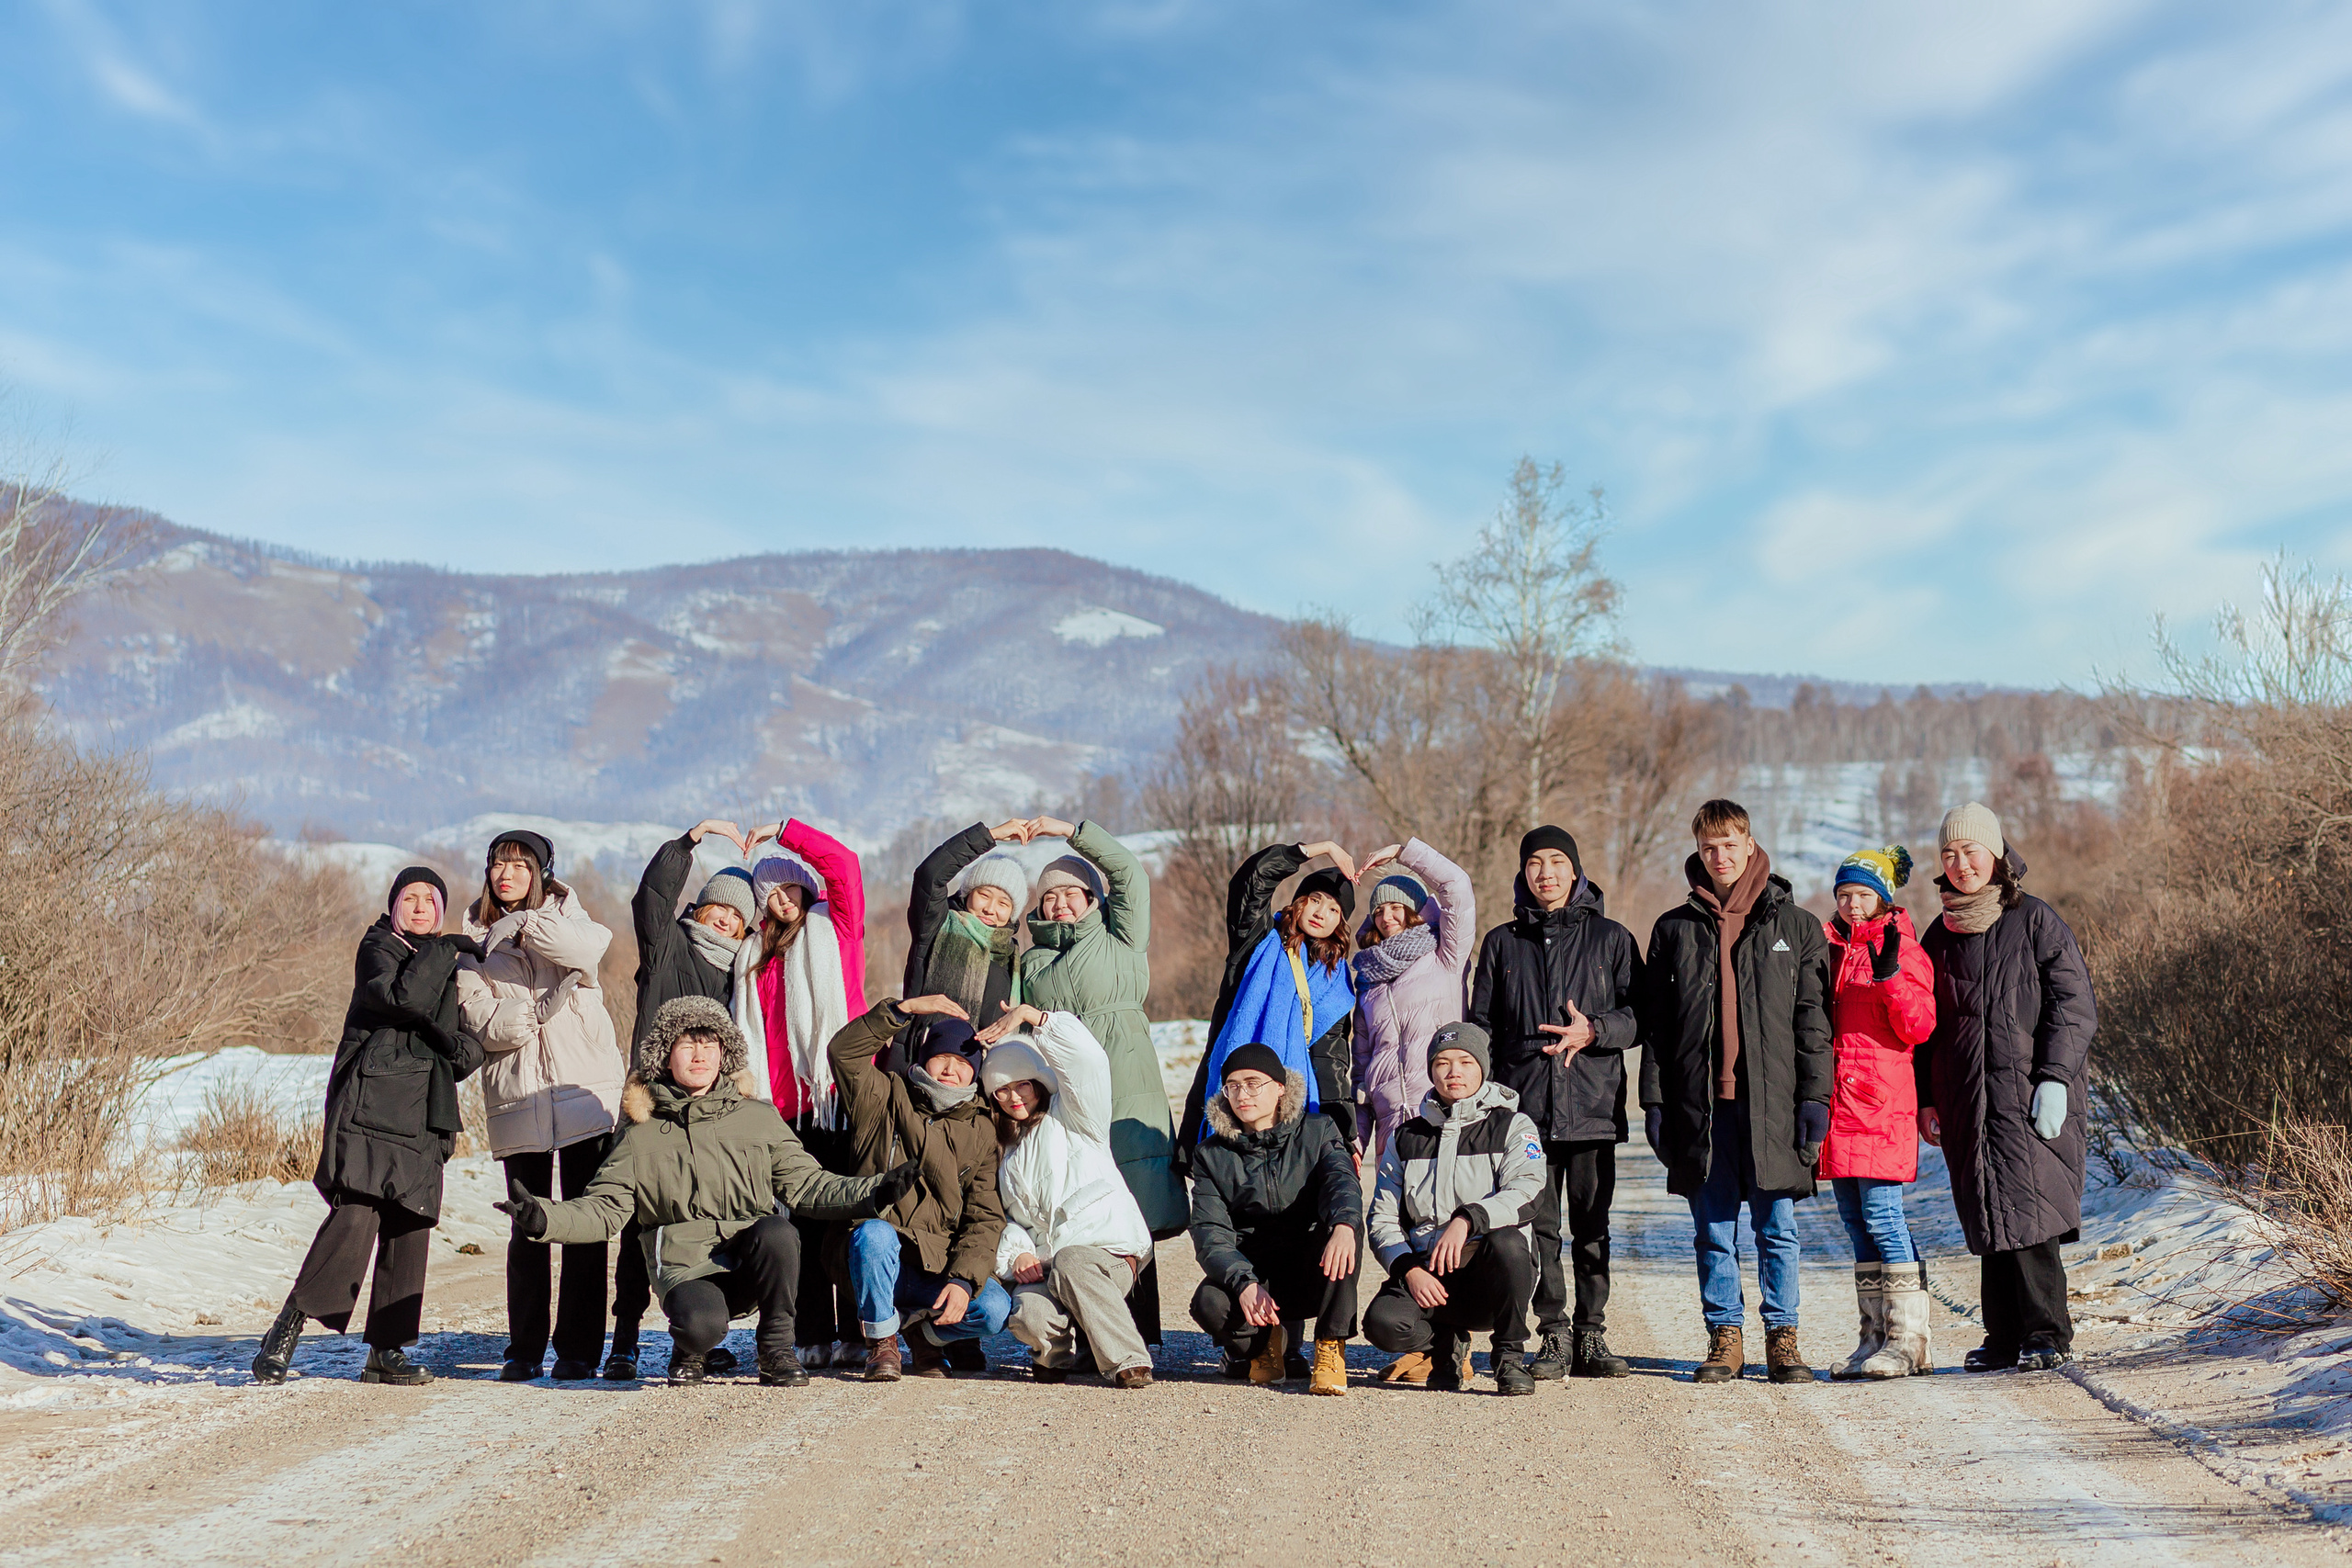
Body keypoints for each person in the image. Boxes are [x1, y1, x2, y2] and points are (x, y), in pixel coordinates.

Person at [493, 997, 917, 1386]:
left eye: (709, 1044)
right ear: (664, 1058)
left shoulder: (758, 1118)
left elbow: (808, 1184)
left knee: (779, 1231)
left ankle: (776, 1350)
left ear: (724, 1054)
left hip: (749, 1261)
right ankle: (690, 1346)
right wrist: (545, 1219)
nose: (699, 1055)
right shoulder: (641, 1135)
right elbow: (603, 1209)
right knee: (702, 1326)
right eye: (687, 1045)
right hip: (685, 1267)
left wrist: (874, 1191)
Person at [253, 868, 484, 1386]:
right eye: (411, 897)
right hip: (371, 1108)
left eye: (432, 900)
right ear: (394, 905)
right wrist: (446, 949)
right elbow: (405, 1000)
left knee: (410, 1224)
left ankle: (388, 1351)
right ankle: (286, 1328)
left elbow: (466, 1048)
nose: (422, 907)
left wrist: (448, 1041)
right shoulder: (379, 947)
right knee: (356, 1218)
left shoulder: (449, 970)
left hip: (426, 1114)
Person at [1638, 799, 1831, 1386]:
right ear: (1698, 851)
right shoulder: (1674, 928)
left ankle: (1783, 1338)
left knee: (1777, 1229)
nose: (1719, 856)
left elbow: (1814, 1020)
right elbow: (1658, 1026)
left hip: (1773, 1107)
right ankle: (1724, 1337)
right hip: (1703, 1108)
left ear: (1750, 844)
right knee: (1714, 1230)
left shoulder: (1794, 925)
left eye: (1730, 844)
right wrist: (1655, 1101)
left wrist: (1815, 1099)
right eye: (1708, 847)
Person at [1917, 803, 2096, 1373]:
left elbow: (2074, 1005)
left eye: (1970, 851)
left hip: (2031, 1092)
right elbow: (1923, 1026)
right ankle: (2002, 1337)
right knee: (1988, 1214)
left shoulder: (2035, 920)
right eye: (1950, 855)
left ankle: (2047, 1331)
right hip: (1966, 1096)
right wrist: (1926, 1095)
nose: (1961, 863)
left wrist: (2055, 1078)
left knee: (2032, 1209)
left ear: (1995, 855)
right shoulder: (1938, 936)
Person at [1467, 825, 1640, 1384]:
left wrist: (1596, 1031)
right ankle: (1555, 1335)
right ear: (1523, 873)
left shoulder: (1611, 938)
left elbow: (1640, 1017)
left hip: (1591, 1105)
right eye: (1535, 862)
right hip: (1526, 1113)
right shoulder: (1501, 943)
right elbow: (1482, 1028)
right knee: (1538, 1230)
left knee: (1592, 1226)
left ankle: (1592, 1333)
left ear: (1575, 870)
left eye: (1557, 861)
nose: (1546, 872)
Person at [454, 829, 626, 1383]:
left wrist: (525, 924)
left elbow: (586, 953)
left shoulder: (572, 921)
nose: (507, 875)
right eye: (499, 865)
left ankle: (579, 1349)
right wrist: (526, 1017)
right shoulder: (472, 938)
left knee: (584, 1224)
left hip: (583, 1092)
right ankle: (524, 1347)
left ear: (542, 873)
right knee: (526, 1227)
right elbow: (476, 1017)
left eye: (520, 866)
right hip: (517, 1095)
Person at [1016, 816, 1187, 1348]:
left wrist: (1072, 831)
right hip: (1067, 1092)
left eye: (1072, 892)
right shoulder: (1033, 960)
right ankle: (1087, 1329)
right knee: (1080, 1203)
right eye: (1050, 896)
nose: (1061, 903)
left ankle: (1140, 1330)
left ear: (1091, 897)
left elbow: (1130, 872)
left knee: (1131, 1199)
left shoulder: (1120, 934)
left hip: (1126, 1078)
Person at [607, 817, 757, 1379]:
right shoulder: (667, 946)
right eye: (718, 908)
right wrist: (688, 842)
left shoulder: (739, 976)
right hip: (649, 1106)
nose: (725, 920)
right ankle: (623, 1339)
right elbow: (650, 898)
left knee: (705, 1222)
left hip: (710, 1117)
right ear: (699, 909)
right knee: (634, 1223)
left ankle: (698, 1336)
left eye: (737, 918)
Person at [736, 818, 869, 1370]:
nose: (783, 898)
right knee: (800, 1225)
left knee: (848, 1217)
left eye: (790, 887)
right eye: (771, 891)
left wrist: (785, 831)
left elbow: (846, 866)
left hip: (835, 1099)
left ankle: (861, 1332)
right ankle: (812, 1332)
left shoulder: (836, 932)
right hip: (780, 1112)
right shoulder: (751, 955)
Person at [827, 993, 1014, 1380]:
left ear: (975, 1073)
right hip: (874, 1256)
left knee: (994, 1308)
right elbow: (843, 1053)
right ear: (926, 1057)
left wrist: (963, 1280)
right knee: (875, 1235)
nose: (951, 1069)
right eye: (943, 1056)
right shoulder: (883, 1096)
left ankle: (924, 1335)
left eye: (963, 1063)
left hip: (934, 1263)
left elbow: (985, 1217)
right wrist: (901, 1010)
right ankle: (882, 1343)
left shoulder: (980, 1128)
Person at [979, 1002, 1157, 1388]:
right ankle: (1055, 1357)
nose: (1013, 1097)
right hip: (1049, 1264)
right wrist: (1018, 1252)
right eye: (1002, 1090)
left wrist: (1037, 1019)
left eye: (1022, 1084)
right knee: (1028, 1311)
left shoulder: (1076, 1117)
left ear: (1039, 1082)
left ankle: (1128, 1359)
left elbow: (1089, 1064)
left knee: (1074, 1260)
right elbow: (1007, 1221)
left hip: (1106, 1256)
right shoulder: (1002, 1153)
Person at [1363, 1023, 1544, 1396]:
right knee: (1382, 1323)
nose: (1453, 1072)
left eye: (1465, 1061)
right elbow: (1382, 1217)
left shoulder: (1513, 1125)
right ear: (1431, 1071)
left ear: (1482, 1067)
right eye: (1442, 1063)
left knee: (1510, 1242)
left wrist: (1467, 1218)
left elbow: (1527, 1191)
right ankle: (1443, 1348)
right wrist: (1408, 1269)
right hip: (1429, 1271)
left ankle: (1509, 1357)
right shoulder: (1406, 1136)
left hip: (1489, 1272)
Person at [1820, 845, 1938, 1379]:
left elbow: (1918, 1027)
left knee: (1885, 1220)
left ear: (1884, 898)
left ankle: (1910, 1340)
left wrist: (1889, 975)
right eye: (1844, 894)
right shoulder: (1829, 947)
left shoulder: (1904, 950)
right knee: (1854, 1224)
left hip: (1881, 1103)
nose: (1852, 904)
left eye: (1863, 894)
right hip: (1838, 1106)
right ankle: (1873, 1336)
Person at [1186, 1043, 1363, 1395]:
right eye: (1233, 1086)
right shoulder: (1211, 1154)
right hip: (1256, 1274)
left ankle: (1330, 1345)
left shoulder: (1317, 1130)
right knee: (1207, 1303)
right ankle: (1266, 1343)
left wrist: (1344, 1224)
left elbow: (1342, 1182)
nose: (1242, 1094)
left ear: (1280, 1087)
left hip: (1311, 1268)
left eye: (1253, 1083)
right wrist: (1243, 1283)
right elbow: (1210, 1232)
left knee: (1344, 1229)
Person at [1179, 840, 1360, 1158]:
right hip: (1232, 1098)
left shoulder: (1334, 981)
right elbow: (1252, 881)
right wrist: (1318, 849)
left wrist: (1343, 1133)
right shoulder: (1258, 939)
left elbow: (1330, 1062)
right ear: (1299, 902)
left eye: (1334, 909)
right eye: (1315, 900)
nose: (1321, 913)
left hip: (1294, 1111)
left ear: (1341, 924)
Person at [903, 818, 1035, 1024]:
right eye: (984, 894)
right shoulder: (937, 924)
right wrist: (990, 836)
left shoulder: (1013, 957)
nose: (990, 909)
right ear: (968, 893)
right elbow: (929, 875)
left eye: (1003, 903)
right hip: (920, 1053)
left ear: (1012, 913)